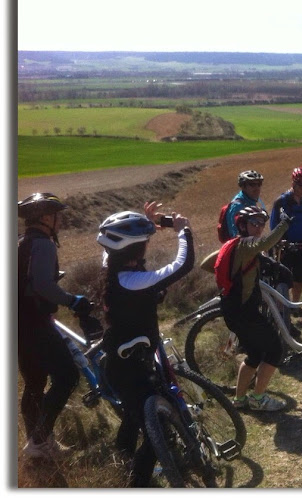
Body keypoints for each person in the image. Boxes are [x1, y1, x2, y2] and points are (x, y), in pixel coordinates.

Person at [97, 207, 194, 487]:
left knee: (133, 412)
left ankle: (124, 455)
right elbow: (182, 265)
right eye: (144, 242)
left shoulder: (113, 264)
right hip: (131, 365)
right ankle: (138, 484)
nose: (147, 246)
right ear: (134, 250)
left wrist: (142, 221)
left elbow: (121, 246)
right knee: (157, 431)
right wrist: (183, 231)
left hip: (124, 359)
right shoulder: (132, 280)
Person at [18, 193, 95, 460]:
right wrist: (72, 300)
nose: (60, 220)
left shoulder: (22, 243)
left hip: (17, 325)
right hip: (35, 324)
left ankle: (38, 445)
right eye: (57, 215)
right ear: (45, 218)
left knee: (35, 384)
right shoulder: (44, 245)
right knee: (67, 376)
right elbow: (41, 285)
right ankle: (39, 440)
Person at [200, 206, 291, 412]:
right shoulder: (247, 245)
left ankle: (240, 400)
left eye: (261, 224)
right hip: (245, 312)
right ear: (242, 225)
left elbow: (206, 264)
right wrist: (285, 224)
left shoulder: (233, 245)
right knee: (275, 350)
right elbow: (267, 242)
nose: (259, 228)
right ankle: (258, 399)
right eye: (254, 223)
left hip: (232, 309)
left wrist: (231, 277)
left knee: (255, 354)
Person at [269, 167, 302, 302]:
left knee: (300, 278)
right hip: (285, 244)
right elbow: (273, 225)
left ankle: (295, 304)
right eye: (301, 187)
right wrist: (276, 242)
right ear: (293, 184)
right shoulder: (281, 202)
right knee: (283, 278)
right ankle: (282, 307)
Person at [224, 170, 266, 240]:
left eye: (259, 184)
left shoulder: (250, 200)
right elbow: (235, 235)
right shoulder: (237, 206)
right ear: (243, 187)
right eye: (252, 184)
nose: (257, 188)